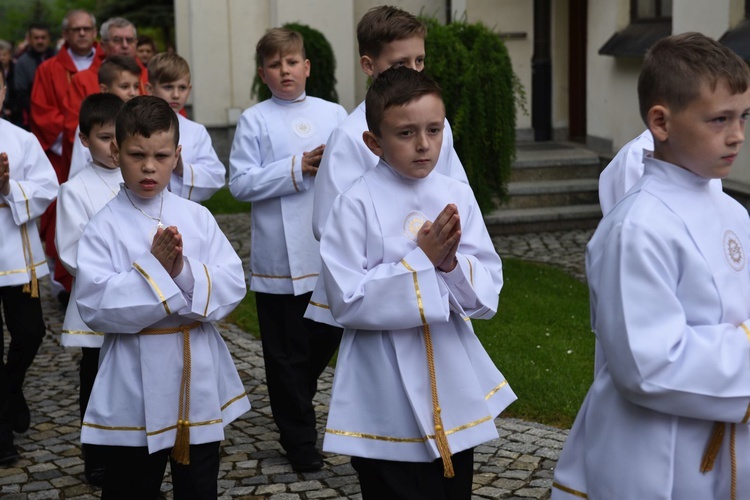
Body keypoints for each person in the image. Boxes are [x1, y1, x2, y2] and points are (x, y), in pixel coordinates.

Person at [552, 33, 750, 500]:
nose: (737, 134)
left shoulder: (735, 214)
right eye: (719, 119)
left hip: (732, 447)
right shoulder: (637, 227)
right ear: (660, 122)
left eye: (743, 117)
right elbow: (647, 363)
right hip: (656, 457)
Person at [318, 66, 515, 499]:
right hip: (381, 380)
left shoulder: (454, 193)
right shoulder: (354, 203)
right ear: (374, 142)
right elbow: (346, 299)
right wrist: (421, 261)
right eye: (405, 133)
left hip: (449, 370)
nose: (424, 144)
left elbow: (487, 287)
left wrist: (448, 268)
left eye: (434, 129)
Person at [75, 95, 250, 497]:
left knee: (199, 484)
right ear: (117, 151)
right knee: (131, 485)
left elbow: (232, 283)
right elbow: (95, 305)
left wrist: (183, 272)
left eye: (161, 155)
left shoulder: (197, 217)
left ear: (178, 155)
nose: (149, 167)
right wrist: (154, 270)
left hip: (196, 373)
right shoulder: (104, 226)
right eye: (137, 155)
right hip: (134, 376)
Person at [228, 27, 347, 472]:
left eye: (292, 62)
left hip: (325, 251)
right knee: (281, 352)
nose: (285, 71)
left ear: (307, 66)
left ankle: (294, 397)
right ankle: (299, 441)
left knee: (317, 343)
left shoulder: (334, 113)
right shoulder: (255, 119)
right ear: (264, 73)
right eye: (275, 65)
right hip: (279, 257)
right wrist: (297, 166)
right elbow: (240, 183)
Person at [305, 5, 469, 324]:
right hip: (379, 287)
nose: (413, 71)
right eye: (400, 63)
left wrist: (445, 248)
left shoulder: (439, 126)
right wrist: (413, 254)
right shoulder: (350, 136)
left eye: (419, 61)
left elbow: (455, 192)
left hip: (441, 280)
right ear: (369, 64)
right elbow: (328, 224)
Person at [55, 93, 124, 486]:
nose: (114, 147)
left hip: (140, 300)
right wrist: (121, 275)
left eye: (120, 137)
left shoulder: (139, 180)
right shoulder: (75, 190)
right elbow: (72, 252)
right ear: (84, 140)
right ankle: (96, 456)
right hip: (97, 304)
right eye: (104, 137)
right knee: (96, 381)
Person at [0, 68, 59, 464]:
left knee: (31, 332)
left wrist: (7, 189)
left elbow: (47, 188)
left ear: (3, 88)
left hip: (15, 259)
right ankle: (2, 440)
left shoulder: (20, 139)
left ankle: (11, 384)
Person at [30, 9, 103, 301]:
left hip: (105, 153)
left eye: (87, 28)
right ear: (66, 34)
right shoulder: (48, 69)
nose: (82, 33)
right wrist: (75, 139)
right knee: (61, 215)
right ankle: (64, 284)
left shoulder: (106, 66)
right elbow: (41, 113)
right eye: (76, 29)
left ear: (95, 32)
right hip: (61, 159)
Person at [63, 17, 147, 172]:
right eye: (117, 40)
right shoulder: (83, 79)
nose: (124, 46)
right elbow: (76, 128)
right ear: (103, 45)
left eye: (129, 40)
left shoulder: (146, 76)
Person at [146, 52, 225, 201]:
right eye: (168, 87)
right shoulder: (135, 125)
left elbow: (216, 176)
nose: (176, 94)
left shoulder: (196, 131)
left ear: (189, 89)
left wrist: (183, 170)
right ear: (150, 89)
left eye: (182, 88)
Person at [68, 55, 141, 179]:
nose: (133, 92)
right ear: (104, 89)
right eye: (125, 86)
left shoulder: (141, 120)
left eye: (136, 86)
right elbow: (78, 169)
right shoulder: (93, 122)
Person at [13, 23, 55, 130]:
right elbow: (21, 92)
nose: (40, 41)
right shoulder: (22, 62)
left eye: (43, 38)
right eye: (36, 38)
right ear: (30, 39)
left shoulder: (58, 58)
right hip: (33, 117)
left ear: (49, 39)